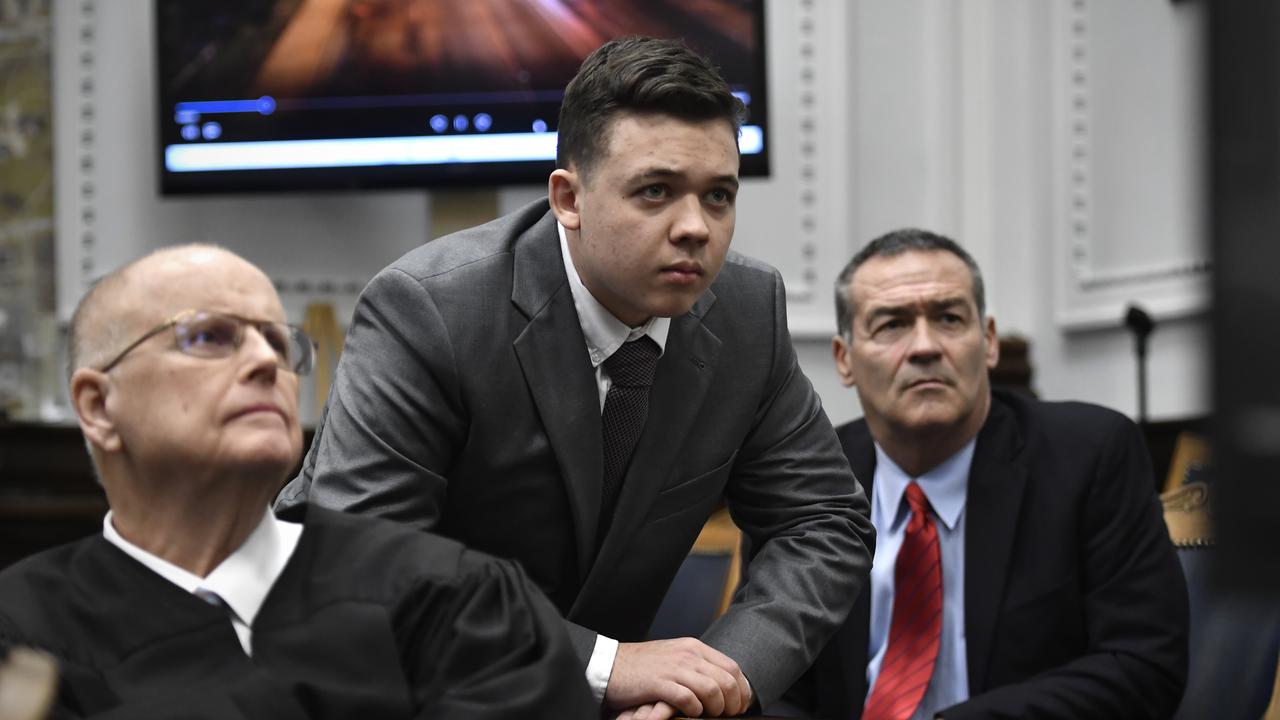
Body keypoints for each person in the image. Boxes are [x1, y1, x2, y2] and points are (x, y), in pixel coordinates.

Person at [276, 36, 874, 719]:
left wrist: (712, 682)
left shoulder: (745, 313)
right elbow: (362, 570)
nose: (695, 228)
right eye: (656, 191)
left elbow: (823, 523)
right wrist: (606, 663)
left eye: (718, 197)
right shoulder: (431, 310)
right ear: (568, 197)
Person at [0, 245, 594, 719]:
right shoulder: (19, 636)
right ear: (99, 406)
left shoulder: (458, 602)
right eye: (209, 337)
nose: (267, 363)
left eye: (278, 342)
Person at [780, 229, 1188, 719]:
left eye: (949, 319)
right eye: (892, 325)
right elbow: (778, 682)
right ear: (844, 360)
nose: (925, 347)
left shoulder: (1090, 457)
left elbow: (1142, 667)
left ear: (989, 342)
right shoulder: (804, 480)